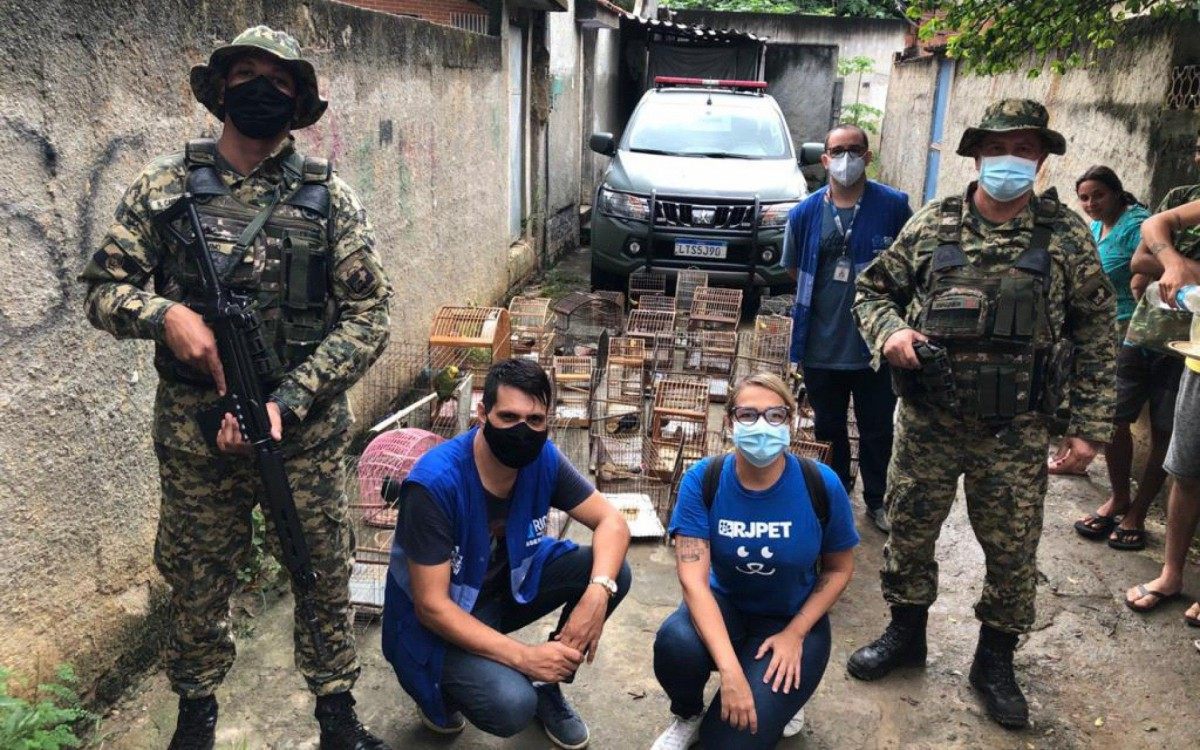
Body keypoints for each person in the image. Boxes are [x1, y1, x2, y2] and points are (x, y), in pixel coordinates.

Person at [78, 26, 393, 750]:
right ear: (221, 89)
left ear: (298, 101)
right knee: (196, 579)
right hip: (197, 437)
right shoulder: (165, 188)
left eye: (279, 82)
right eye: (247, 75)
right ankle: (195, 716)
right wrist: (166, 317)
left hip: (302, 436)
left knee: (319, 571)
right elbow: (101, 289)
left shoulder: (328, 198)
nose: (262, 90)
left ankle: (337, 716)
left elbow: (372, 312)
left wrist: (292, 398)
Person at [848, 99, 1116, 729]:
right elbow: (872, 290)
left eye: (1024, 150)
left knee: (1013, 549)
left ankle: (994, 661)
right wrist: (891, 331)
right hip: (930, 422)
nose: (1009, 161)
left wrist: (1090, 426)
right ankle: (906, 634)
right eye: (998, 149)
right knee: (910, 532)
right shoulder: (934, 223)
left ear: (1041, 160)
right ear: (975, 157)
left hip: (1015, 431)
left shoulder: (1065, 235)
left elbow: (1097, 330)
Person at [383, 358, 632, 749]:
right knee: (511, 705)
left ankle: (547, 680)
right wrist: (523, 657)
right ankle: (442, 688)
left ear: (548, 421)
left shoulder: (543, 459)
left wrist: (598, 592)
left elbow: (612, 522)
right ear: (483, 414)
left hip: (502, 590)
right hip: (436, 621)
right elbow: (431, 607)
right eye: (509, 416)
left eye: (535, 420)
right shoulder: (435, 483)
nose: (522, 430)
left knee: (613, 572)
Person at [650, 373, 858, 750]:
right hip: (724, 607)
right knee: (675, 643)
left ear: (790, 422)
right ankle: (689, 713)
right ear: (730, 422)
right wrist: (730, 672)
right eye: (748, 415)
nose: (762, 426)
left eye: (775, 415)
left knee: (728, 744)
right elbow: (693, 581)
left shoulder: (821, 483)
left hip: (790, 618)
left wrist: (796, 633)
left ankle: (782, 699)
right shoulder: (703, 480)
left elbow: (839, 568)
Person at [782, 123, 913, 533]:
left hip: (876, 347)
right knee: (828, 429)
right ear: (824, 160)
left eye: (854, 150)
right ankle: (836, 498)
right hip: (821, 347)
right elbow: (793, 269)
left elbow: (912, 265)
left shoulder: (894, 207)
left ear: (867, 156)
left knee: (877, 429)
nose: (845, 159)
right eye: (837, 151)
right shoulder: (804, 214)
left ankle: (878, 500)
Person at [1071, 167, 1176, 548]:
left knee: (1163, 428)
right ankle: (1119, 496)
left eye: (1098, 195)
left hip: (1167, 335)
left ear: (1118, 192)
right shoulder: (1100, 226)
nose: (1091, 203)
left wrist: (1157, 271)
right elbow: (1135, 266)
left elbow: (1142, 268)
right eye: (1084, 198)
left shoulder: (1138, 223)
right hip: (1126, 335)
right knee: (1114, 418)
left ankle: (1138, 512)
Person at [1122, 195, 1200, 629]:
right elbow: (1156, 224)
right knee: (1185, 475)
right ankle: (1171, 575)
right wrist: (1174, 262)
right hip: (1198, 363)